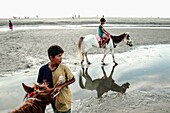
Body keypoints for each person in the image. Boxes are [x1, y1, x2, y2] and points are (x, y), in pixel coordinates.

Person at [37, 45, 75, 113]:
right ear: (51, 58)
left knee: (65, 110)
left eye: (61, 56)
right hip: (52, 99)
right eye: (58, 56)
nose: (61, 58)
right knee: (55, 110)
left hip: (63, 97)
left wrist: (60, 86)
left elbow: (73, 79)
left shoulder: (64, 68)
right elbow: (40, 84)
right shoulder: (43, 69)